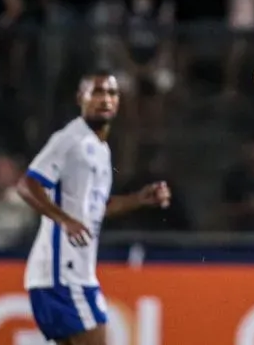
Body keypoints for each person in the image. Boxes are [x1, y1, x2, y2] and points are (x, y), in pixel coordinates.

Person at [16, 72, 172, 345]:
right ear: (81, 98)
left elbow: (93, 209)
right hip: (61, 273)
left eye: (111, 93)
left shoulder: (100, 148)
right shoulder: (70, 139)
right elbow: (27, 185)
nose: (105, 99)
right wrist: (64, 220)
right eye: (97, 92)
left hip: (73, 273)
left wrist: (139, 199)